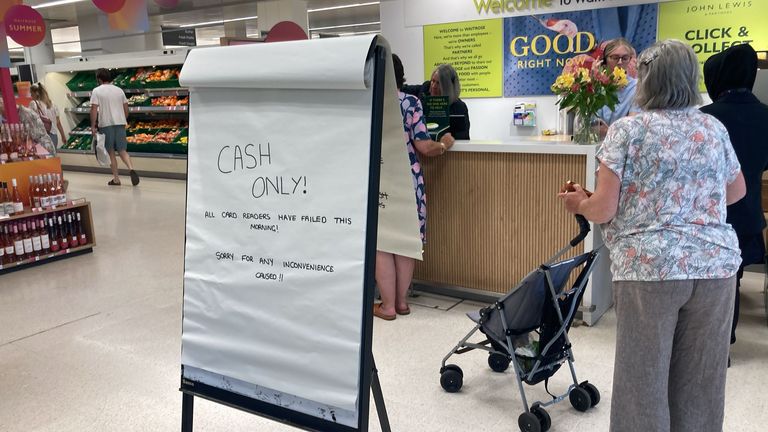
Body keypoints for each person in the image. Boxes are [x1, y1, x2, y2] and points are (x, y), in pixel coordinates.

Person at [559, 39, 745, 432]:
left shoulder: (627, 130)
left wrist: (579, 203)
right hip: (715, 269)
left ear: (646, 80)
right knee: (701, 382)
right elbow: (736, 191)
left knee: (642, 381)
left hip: (650, 270)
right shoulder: (713, 127)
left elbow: (605, 208)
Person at [373, 54, 455, 321]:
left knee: (382, 243)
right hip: (408, 180)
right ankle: (401, 302)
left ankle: (386, 306)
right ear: (400, 75)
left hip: (377, 179)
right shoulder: (410, 103)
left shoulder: (369, 103)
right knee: (407, 239)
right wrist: (444, 144)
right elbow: (423, 145)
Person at [701, 43, 768, 348]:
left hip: (706, 215)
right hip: (747, 213)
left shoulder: (704, 118)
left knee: (705, 284)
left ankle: (709, 343)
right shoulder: (765, 116)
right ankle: (726, 340)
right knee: (734, 278)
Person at [90, 68, 139, 186]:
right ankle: (131, 168)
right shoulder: (119, 90)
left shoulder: (97, 91)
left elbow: (93, 109)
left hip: (106, 124)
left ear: (99, 79)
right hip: (120, 123)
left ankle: (116, 179)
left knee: (111, 152)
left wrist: (93, 125)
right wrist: (123, 119)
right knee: (122, 150)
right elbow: (126, 108)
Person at [595, 38, 640, 134]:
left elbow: (632, 126)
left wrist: (608, 131)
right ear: (605, 61)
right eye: (615, 58)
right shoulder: (596, 86)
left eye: (624, 58)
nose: (620, 62)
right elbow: (590, 124)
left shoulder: (638, 87)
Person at [429, 64, 470, 140]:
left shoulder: (459, 107)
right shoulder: (426, 102)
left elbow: (463, 137)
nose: (433, 86)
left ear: (448, 86)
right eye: (433, 81)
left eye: (438, 83)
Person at [30, 83, 67, 149]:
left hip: (42, 137)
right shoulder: (52, 104)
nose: (31, 95)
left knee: (44, 158)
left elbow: (30, 120)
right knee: (53, 157)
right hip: (54, 136)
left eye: (31, 93)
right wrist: (63, 136)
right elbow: (58, 123)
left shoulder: (33, 104)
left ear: (36, 93)